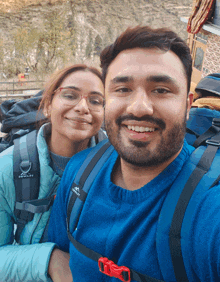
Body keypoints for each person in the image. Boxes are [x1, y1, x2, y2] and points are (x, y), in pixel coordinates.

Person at [48, 25, 220, 282]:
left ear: (187, 106)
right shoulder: (79, 173)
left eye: (161, 90)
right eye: (123, 89)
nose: (140, 108)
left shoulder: (209, 210)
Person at [0, 64, 105, 282]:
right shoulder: (8, 167)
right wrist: (50, 260)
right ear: (48, 105)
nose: (83, 107)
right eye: (70, 95)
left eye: (95, 101)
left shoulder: (119, 167)